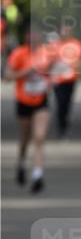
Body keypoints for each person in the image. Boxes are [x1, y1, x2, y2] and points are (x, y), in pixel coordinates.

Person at [4, 29, 52, 192]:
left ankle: (38, 174)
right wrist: (26, 72)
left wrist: (51, 80)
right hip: (23, 100)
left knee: (39, 136)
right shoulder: (19, 54)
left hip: (41, 101)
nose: (33, 38)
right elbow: (7, 76)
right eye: (30, 35)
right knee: (25, 138)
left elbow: (54, 72)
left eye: (36, 34)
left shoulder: (46, 53)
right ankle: (22, 161)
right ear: (25, 37)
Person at [48, 22, 81, 138]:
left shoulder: (76, 44)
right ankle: (61, 127)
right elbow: (49, 61)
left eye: (68, 30)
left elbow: (80, 61)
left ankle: (64, 122)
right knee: (60, 102)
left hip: (70, 78)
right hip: (58, 79)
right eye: (64, 30)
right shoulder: (55, 45)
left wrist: (71, 63)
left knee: (67, 103)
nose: (65, 33)